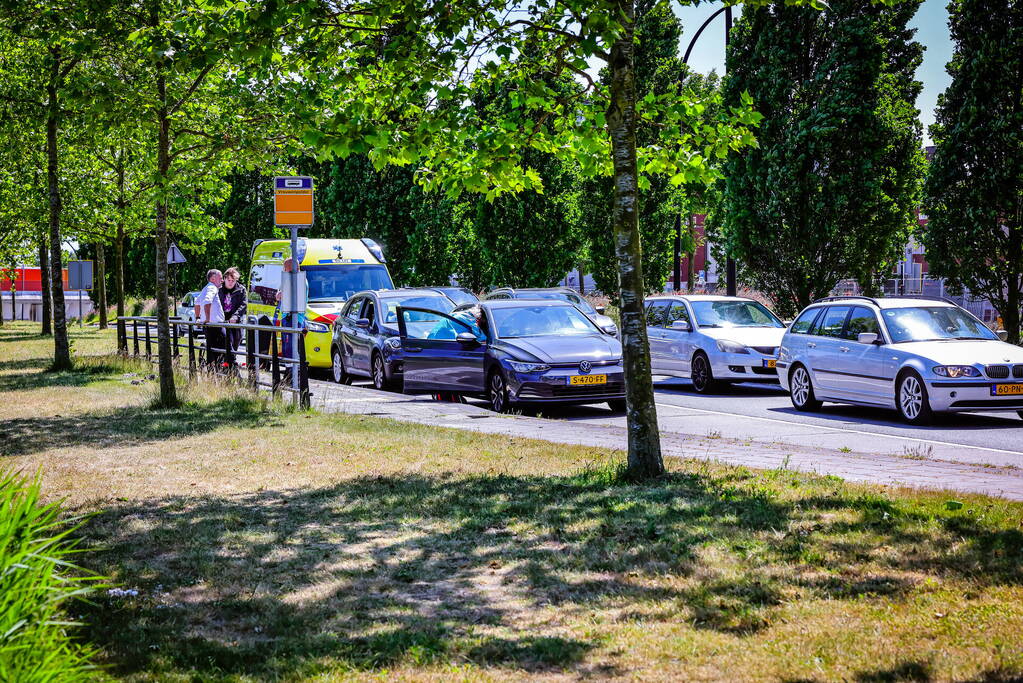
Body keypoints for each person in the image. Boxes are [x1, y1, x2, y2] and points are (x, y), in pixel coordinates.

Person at [195, 269, 226, 370]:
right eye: (220, 278)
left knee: (212, 351)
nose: (222, 280)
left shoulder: (206, 288)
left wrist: (198, 318)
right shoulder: (212, 288)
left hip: (210, 326)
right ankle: (220, 372)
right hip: (215, 326)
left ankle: (212, 373)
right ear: (213, 278)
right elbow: (207, 301)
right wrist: (207, 318)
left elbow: (197, 302)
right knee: (225, 350)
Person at [219, 267, 247, 368]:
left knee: (237, 338)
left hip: (236, 319)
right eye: (229, 280)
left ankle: (231, 357)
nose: (231, 283)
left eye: (233, 280)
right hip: (223, 318)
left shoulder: (241, 289)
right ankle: (230, 361)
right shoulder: (219, 290)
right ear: (224, 279)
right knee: (228, 338)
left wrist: (236, 316)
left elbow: (243, 304)